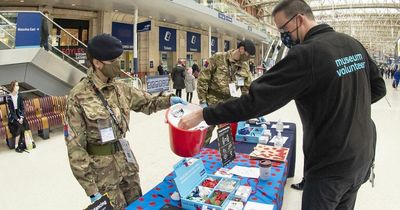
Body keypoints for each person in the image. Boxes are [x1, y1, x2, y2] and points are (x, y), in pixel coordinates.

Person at [179, 1, 386, 210]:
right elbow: (378, 89)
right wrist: (344, 104)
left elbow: (255, 101)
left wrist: (204, 115)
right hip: (362, 156)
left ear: (299, 19)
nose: (283, 37)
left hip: (330, 165)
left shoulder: (308, 54)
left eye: (284, 29)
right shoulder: (351, 43)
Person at [64, 34, 186, 209]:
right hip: (102, 172)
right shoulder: (78, 96)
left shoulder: (120, 88)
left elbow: (147, 102)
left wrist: (169, 101)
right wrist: (91, 190)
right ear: (97, 63)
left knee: (138, 204)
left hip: (126, 162)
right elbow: (75, 147)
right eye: (113, 60)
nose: (118, 64)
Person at [197, 39, 255, 145]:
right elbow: (203, 78)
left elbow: (246, 88)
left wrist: (250, 106)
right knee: (204, 135)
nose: (249, 58)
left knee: (225, 138)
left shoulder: (244, 66)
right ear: (241, 49)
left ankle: (223, 159)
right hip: (211, 102)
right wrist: (202, 100)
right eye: (248, 55)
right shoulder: (218, 57)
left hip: (227, 104)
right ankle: (199, 157)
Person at [6, 81, 35, 153]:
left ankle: (32, 141)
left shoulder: (19, 95)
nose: (18, 87)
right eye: (16, 85)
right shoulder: (9, 97)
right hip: (13, 116)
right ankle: (16, 146)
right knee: (19, 126)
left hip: (19, 113)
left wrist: (21, 117)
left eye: (18, 85)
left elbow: (22, 108)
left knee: (26, 123)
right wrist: (18, 119)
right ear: (13, 87)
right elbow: (11, 111)